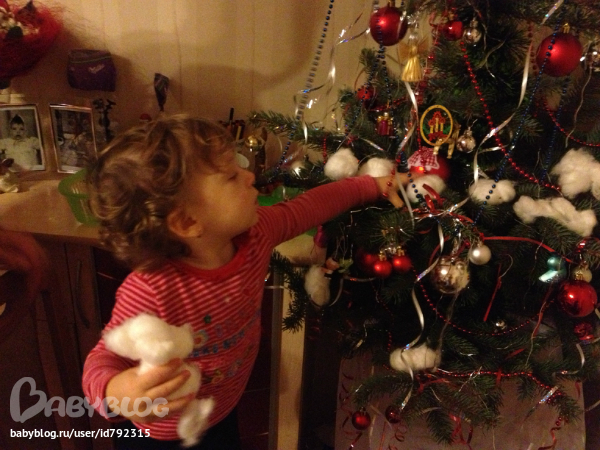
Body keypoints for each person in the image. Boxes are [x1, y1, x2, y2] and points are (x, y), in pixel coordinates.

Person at [82, 114, 404, 449]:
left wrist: (372, 185)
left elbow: (309, 207)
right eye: (232, 176)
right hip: (158, 437)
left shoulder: (257, 233)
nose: (250, 175)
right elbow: (102, 360)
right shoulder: (152, 289)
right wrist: (117, 392)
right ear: (188, 221)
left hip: (219, 412)